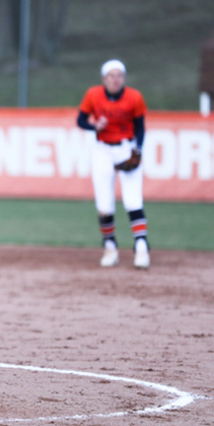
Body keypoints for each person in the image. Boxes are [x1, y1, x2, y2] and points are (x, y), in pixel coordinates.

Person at [77, 59, 150, 269]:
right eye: (112, 75)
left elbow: (140, 127)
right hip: (102, 149)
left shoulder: (134, 97)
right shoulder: (93, 95)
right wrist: (94, 125)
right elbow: (80, 120)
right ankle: (110, 246)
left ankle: (141, 246)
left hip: (126, 148)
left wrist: (138, 151)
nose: (116, 79)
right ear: (104, 79)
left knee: (133, 200)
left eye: (119, 75)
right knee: (104, 204)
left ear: (124, 78)